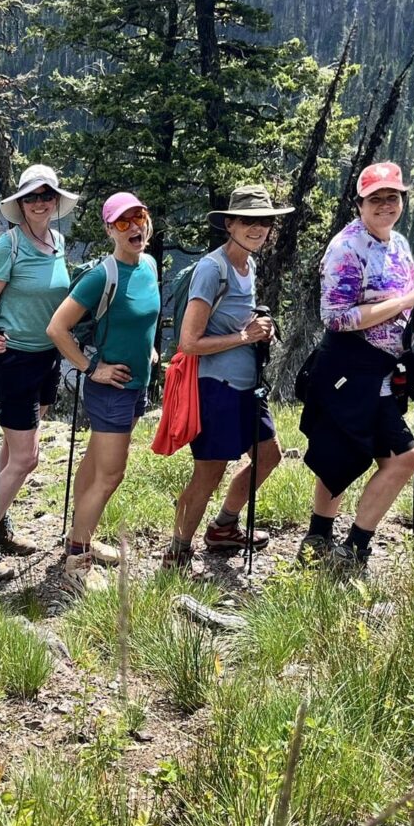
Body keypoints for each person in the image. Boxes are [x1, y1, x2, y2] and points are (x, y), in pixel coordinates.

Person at [298, 162, 414, 573]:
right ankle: (334, 545)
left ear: (402, 202)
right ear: (359, 203)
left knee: (376, 455)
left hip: (382, 368)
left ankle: (339, 545)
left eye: (392, 197)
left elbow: (406, 305)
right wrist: (403, 303)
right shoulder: (346, 248)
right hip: (347, 364)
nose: (385, 205)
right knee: (358, 454)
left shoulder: (400, 245)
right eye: (375, 198)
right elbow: (335, 317)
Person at [162, 185, 294, 568]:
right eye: (248, 221)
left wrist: (256, 328)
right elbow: (189, 343)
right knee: (209, 473)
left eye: (264, 222)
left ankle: (223, 527)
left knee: (268, 456)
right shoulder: (212, 269)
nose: (258, 228)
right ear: (230, 224)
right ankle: (178, 550)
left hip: (246, 387)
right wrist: (243, 336)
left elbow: (236, 324)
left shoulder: (248, 265)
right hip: (214, 388)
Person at [46, 192, 161, 599]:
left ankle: (82, 535)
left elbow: (141, 318)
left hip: (135, 385)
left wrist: (147, 348)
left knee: (96, 463)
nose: (134, 228)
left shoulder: (148, 265)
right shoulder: (102, 275)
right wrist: (92, 367)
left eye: (139, 218)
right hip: (110, 389)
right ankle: (77, 561)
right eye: (123, 222)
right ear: (109, 229)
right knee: (111, 474)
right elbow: (57, 329)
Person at [0, 164, 77, 580]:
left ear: (55, 201)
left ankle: (1, 522)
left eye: (47, 195)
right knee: (27, 457)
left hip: (47, 357)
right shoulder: (7, 246)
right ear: (21, 204)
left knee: (15, 452)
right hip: (10, 358)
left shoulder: (58, 241)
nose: (40, 203)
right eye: (32, 197)